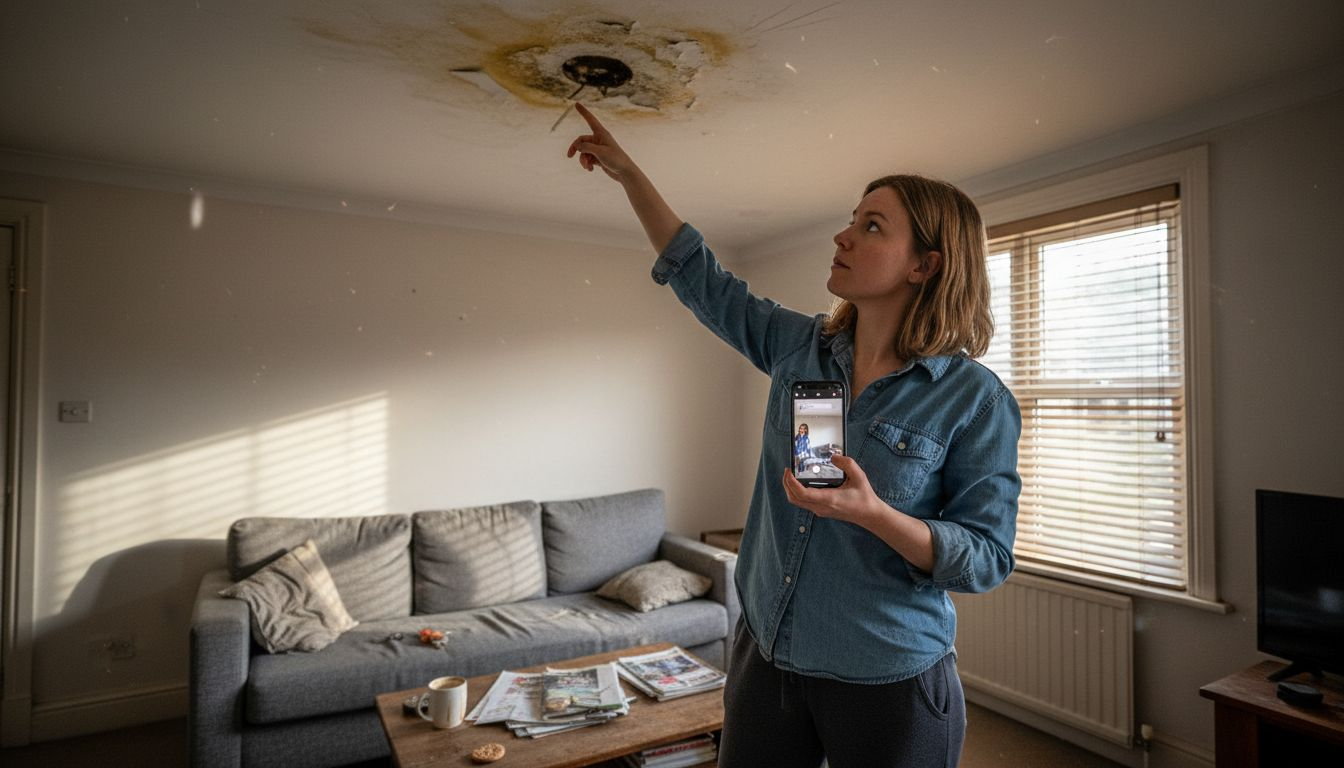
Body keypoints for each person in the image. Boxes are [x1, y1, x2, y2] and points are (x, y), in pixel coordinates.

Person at [567, 103, 1020, 768]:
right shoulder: (802, 348)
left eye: (870, 226)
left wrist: (875, 515)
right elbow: (702, 279)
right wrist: (632, 175)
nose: (842, 237)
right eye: (851, 219)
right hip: (766, 661)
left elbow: (986, 558)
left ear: (925, 265)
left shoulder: (975, 399)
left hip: (888, 680)